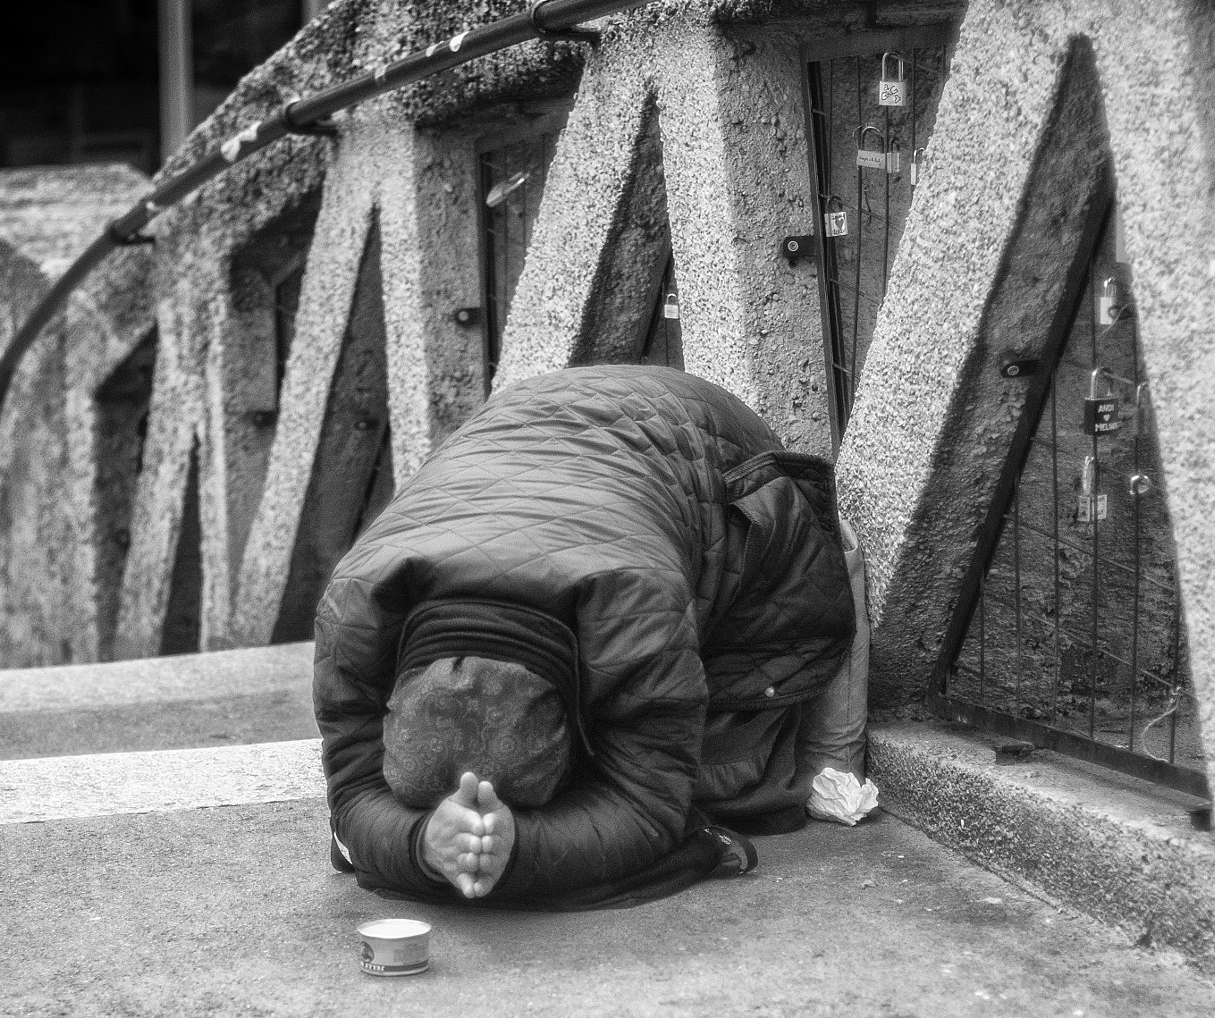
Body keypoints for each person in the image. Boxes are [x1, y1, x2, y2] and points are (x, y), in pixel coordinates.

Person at [315, 365, 857, 909]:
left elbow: (649, 811)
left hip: (711, 444)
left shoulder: (634, 609)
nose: (471, 806)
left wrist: (518, 849)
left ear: (578, 725)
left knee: (728, 779)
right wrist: (424, 844)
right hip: (533, 424)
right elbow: (352, 793)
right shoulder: (355, 606)